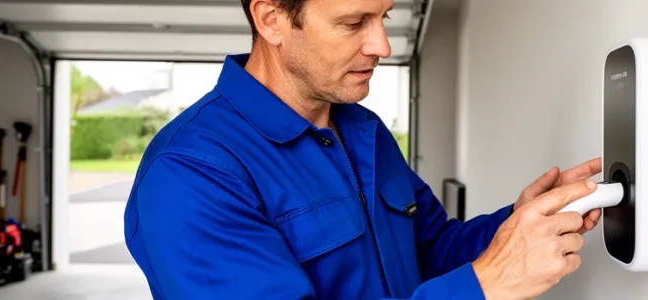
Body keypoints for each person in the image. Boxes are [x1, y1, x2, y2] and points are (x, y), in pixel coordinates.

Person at [123, 0, 604, 299]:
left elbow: (432, 250)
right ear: (271, 19)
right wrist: (485, 285)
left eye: (383, 17)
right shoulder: (191, 173)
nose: (382, 44)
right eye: (354, 22)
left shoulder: (363, 130)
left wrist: (518, 225)